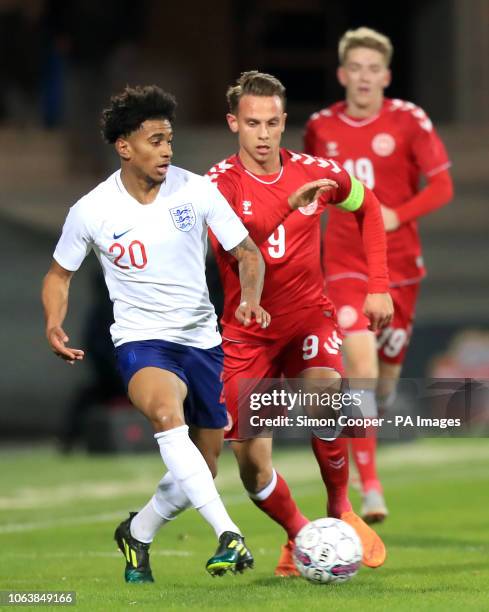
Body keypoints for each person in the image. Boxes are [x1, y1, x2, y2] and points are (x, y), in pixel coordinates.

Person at [41, 85, 271, 582]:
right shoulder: (93, 210)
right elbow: (59, 274)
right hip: (142, 342)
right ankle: (229, 533)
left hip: (203, 344)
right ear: (125, 146)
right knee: (167, 415)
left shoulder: (195, 190)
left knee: (201, 469)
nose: (167, 149)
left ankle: (137, 533)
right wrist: (53, 322)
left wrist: (250, 300)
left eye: (170, 139)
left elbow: (248, 253)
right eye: (155, 140)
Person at [206, 70, 393, 576]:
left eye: (272, 122)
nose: (263, 134)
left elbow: (369, 206)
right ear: (233, 124)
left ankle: (340, 510)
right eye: (252, 123)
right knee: (250, 463)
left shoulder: (316, 172)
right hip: (247, 332)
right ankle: (301, 535)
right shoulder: (217, 185)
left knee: (325, 400)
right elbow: (239, 242)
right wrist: (288, 206)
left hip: (310, 318)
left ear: (284, 121)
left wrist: (378, 284)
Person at [304, 27, 453, 523]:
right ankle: (369, 490)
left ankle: (374, 425)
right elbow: (311, 190)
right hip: (344, 265)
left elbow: (443, 187)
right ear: (343, 75)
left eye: (374, 69)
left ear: (385, 76)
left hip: (401, 268)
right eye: (356, 69)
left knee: (385, 381)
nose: (365, 78)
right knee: (361, 368)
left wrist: (397, 214)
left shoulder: (409, 121)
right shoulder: (321, 128)